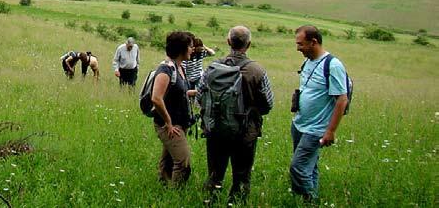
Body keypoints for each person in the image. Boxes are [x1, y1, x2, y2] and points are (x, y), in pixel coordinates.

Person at [197, 26, 274, 204]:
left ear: (228, 42)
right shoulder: (257, 71)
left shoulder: (212, 68)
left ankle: (210, 201)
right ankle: (237, 203)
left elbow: (200, 97)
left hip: (215, 129)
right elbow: (268, 105)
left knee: (215, 174)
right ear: (249, 44)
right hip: (245, 132)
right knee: (241, 176)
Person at [290, 25, 349, 201]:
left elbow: (342, 99)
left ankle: (310, 202)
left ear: (313, 42)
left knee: (298, 167)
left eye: (301, 44)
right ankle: (308, 199)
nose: (298, 48)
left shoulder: (333, 65)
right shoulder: (308, 61)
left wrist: (330, 131)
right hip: (299, 124)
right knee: (310, 167)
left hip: (315, 129)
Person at [150, 31, 196, 186]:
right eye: (190, 46)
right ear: (181, 48)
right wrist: (168, 123)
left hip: (179, 124)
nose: (192, 49)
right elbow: (156, 98)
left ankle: (162, 190)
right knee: (183, 163)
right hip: (169, 125)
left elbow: (178, 91)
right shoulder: (165, 70)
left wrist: (196, 92)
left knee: (168, 161)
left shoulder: (179, 67)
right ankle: (177, 195)